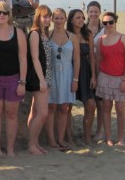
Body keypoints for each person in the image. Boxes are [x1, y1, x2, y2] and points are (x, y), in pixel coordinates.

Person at [0, 1, 27, 158]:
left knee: (11, 115)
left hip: (13, 79)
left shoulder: (19, 33)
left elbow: (23, 59)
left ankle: (10, 149)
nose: (1, 15)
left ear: (10, 15)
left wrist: (22, 82)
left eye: (4, 12)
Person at [45, 8, 80, 150]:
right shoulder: (47, 35)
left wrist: (75, 80)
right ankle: (51, 139)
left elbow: (76, 61)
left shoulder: (72, 37)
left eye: (61, 18)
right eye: (56, 18)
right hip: (51, 74)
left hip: (67, 74)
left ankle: (61, 138)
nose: (59, 21)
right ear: (52, 19)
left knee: (64, 108)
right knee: (51, 107)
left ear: (66, 20)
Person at [96, 12, 125, 146]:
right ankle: (109, 138)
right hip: (105, 77)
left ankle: (121, 138)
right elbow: (99, 60)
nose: (108, 25)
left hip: (120, 78)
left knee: (120, 108)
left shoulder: (123, 38)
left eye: (110, 22)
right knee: (106, 107)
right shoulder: (100, 40)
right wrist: (95, 77)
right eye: (105, 23)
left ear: (115, 22)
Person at [67, 8, 96, 145]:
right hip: (69, 71)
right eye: (78, 17)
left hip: (85, 71)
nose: (81, 20)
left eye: (82, 18)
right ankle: (69, 137)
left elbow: (92, 56)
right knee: (67, 107)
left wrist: (93, 76)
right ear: (71, 19)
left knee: (91, 105)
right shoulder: (66, 34)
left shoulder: (87, 34)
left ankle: (87, 137)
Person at [26, 5, 53, 155]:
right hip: (39, 77)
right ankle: (31, 144)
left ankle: (34, 143)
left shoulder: (45, 33)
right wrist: (42, 80)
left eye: (49, 16)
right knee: (43, 113)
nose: (48, 19)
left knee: (35, 111)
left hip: (46, 76)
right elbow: (35, 58)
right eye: (45, 16)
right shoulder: (35, 33)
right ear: (38, 17)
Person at [86, 0, 104, 139]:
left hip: (101, 66)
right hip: (86, 65)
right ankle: (88, 130)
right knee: (89, 100)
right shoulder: (83, 28)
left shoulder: (105, 28)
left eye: (96, 11)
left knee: (100, 101)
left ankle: (99, 131)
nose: (93, 14)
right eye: (91, 11)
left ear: (99, 12)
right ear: (87, 12)